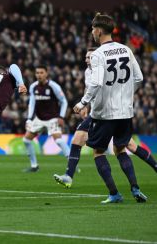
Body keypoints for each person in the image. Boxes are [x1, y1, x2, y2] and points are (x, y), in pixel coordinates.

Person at [54, 48, 157, 188]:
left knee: (88, 145)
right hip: (105, 112)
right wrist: (86, 106)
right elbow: (88, 89)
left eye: (90, 57)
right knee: (130, 145)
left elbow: (100, 87)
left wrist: (83, 103)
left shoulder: (102, 70)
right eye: (86, 57)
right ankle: (69, 176)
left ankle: (71, 177)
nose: (87, 60)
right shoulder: (87, 71)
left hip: (104, 113)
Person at [74, 13, 146, 204]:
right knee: (120, 149)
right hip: (125, 111)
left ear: (98, 31)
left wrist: (82, 103)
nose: (91, 32)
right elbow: (139, 79)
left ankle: (114, 194)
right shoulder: (126, 50)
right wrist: (125, 94)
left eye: (92, 29)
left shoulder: (97, 54)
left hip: (104, 113)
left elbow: (96, 83)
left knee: (99, 152)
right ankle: (135, 188)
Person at [22, 65, 70, 172]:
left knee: (59, 141)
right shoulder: (33, 86)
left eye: (41, 73)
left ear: (46, 73)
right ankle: (34, 166)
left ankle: (72, 164)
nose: (39, 75)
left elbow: (64, 101)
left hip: (52, 118)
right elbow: (32, 103)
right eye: (37, 73)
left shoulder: (54, 86)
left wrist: (61, 116)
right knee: (26, 140)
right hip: (38, 119)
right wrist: (29, 119)